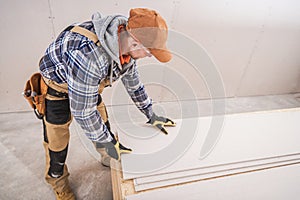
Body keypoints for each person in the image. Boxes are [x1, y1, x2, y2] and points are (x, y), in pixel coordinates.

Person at [39, 8, 176, 200]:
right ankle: (59, 183)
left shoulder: (126, 44)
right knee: (57, 144)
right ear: (136, 41)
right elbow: (83, 113)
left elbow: (134, 84)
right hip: (57, 89)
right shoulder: (89, 57)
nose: (150, 56)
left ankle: (109, 156)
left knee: (103, 124)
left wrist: (151, 114)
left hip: (86, 83)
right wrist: (109, 141)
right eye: (150, 51)